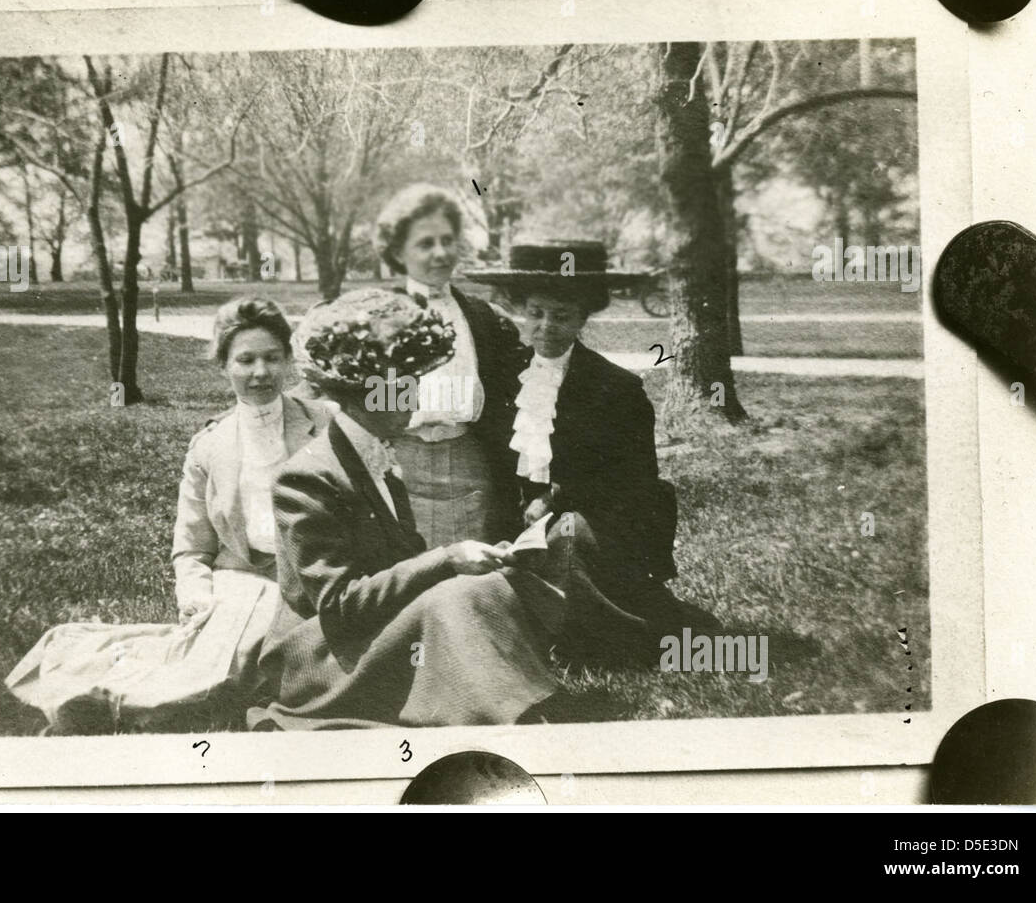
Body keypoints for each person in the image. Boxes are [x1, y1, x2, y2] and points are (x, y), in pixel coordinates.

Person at [6, 298, 334, 733]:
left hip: (310, 579)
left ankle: (120, 701)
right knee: (224, 665)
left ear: (289, 360)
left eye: (272, 358)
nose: (260, 373)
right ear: (223, 365)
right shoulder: (209, 446)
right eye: (246, 360)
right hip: (240, 580)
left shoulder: (325, 425)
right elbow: (192, 547)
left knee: (250, 663)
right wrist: (196, 593)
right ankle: (101, 695)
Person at [248, 288, 568, 730]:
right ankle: (507, 717)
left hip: (368, 632)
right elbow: (340, 605)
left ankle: (520, 706)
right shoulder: (305, 477)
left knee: (484, 585)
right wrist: (446, 559)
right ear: (363, 393)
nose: (417, 401)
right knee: (460, 596)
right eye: (405, 389)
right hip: (322, 657)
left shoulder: (376, 454)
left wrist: (465, 561)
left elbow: (399, 568)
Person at [466, 240, 720, 666]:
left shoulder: (615, 388)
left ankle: (600, 634)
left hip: (595, 521)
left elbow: (634, 481)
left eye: (562, 316)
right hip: (514, 521)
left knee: (566, 542)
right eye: (535, 313)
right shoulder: (502, 378)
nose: (546, 327)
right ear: (520, 311)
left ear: (583, 317)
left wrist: (556, 496)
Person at [372, 184, 524, 547]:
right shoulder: (379, 316)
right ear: (398, 251)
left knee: (475, 559)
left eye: (448, 241)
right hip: (401, 460)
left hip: (469, 459)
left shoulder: (482, 317)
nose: (440, 253)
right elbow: (354, 394)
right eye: (425, 244)